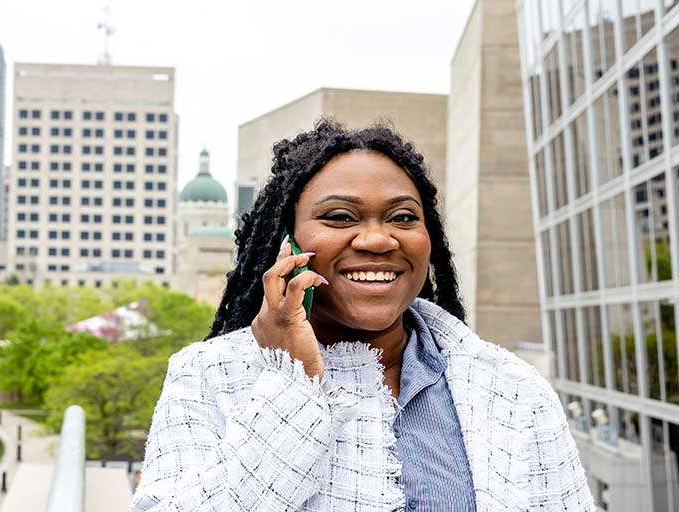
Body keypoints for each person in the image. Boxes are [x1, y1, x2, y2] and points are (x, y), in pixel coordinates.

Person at [131, 120, 594, 511]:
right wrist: (291, 381)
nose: (378, 240)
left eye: (403, 218)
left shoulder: (512, 387)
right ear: (284, 241)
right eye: (339, 217)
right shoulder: (208, 375)